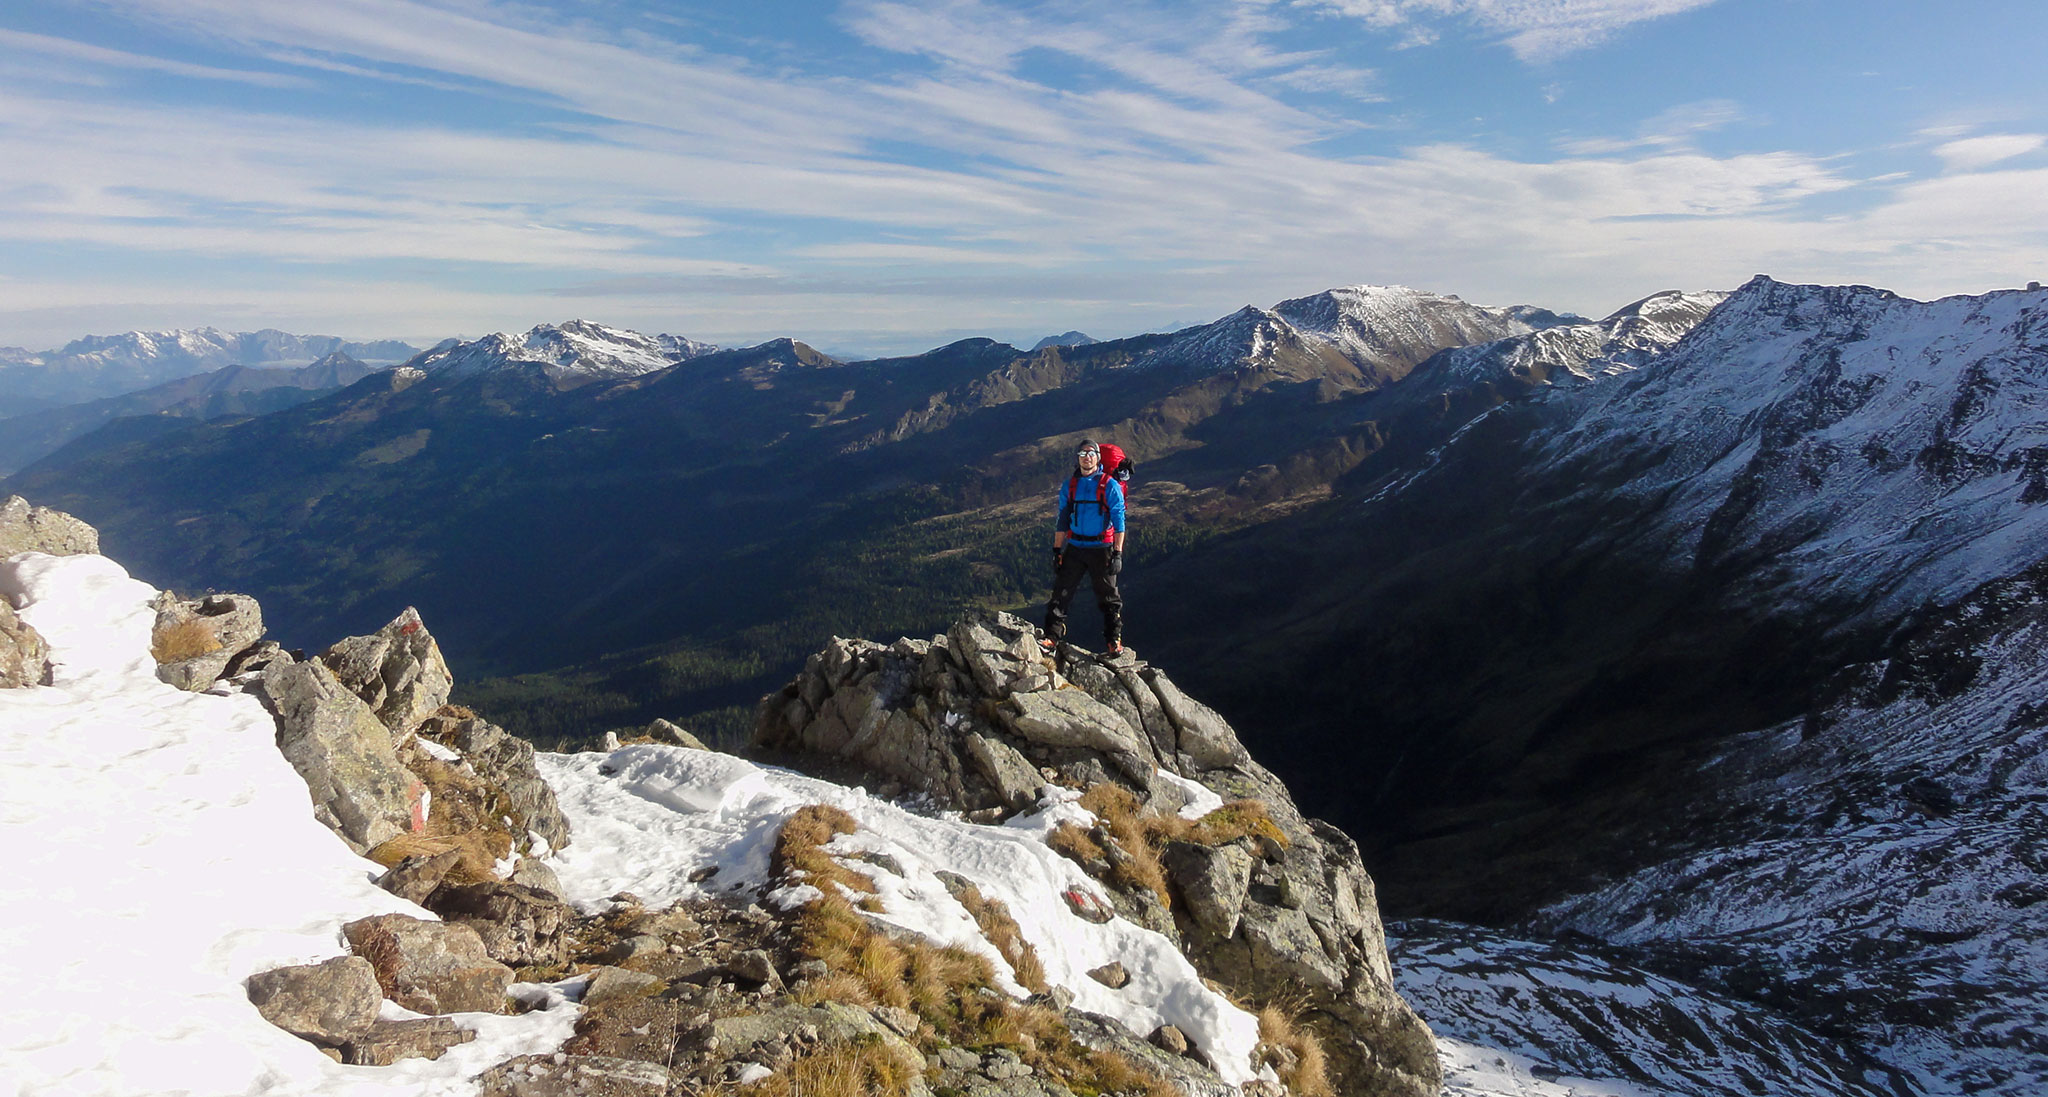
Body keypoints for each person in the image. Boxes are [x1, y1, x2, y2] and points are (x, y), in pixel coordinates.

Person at [1040, 439, 1126, 657]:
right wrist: (1057, 550)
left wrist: (1117, 553)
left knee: (1108, 597)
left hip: (1102, 548)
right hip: (1075, 547)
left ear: (1098, 458)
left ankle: (1113, 641)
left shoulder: (1109, 484)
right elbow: (1062, 519)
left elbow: (1119, 520)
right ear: (1077, 458)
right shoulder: (1070, 486)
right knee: (1061, 594)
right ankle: (1051, 637)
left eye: (1091, 453)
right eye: (1082, 453)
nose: (1087, 457)